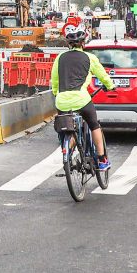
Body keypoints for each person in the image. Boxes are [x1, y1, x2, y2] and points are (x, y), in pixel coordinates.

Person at [51, 24, 115, 170]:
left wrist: (57, 93)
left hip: (61, 101)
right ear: (83, 42)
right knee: (94, 125)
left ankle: (67, 151)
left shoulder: (59, 58)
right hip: (81, 100)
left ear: (68, 43)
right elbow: (102, 75)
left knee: (68, 127)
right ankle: (102, 159)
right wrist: (110, 85)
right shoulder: (89, 57)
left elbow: (54, 80)